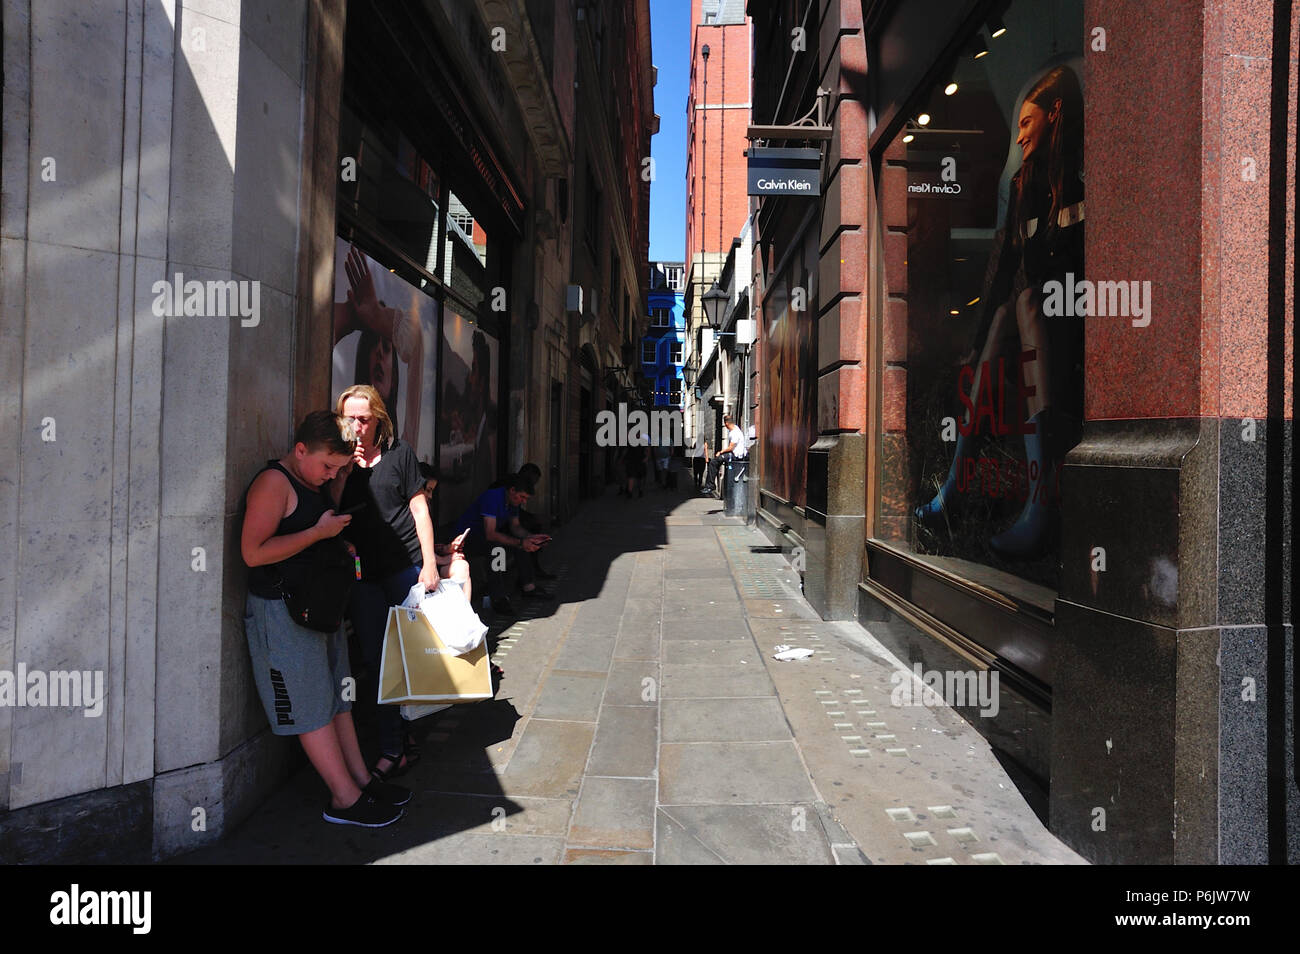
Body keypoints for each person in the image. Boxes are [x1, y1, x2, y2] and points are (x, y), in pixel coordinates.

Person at [914, 65, 1084, 558]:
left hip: (1081, 322)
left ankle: (1036, 501)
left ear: (1055, 115)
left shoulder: (1082, 180)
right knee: (1013, 309)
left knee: (1026, 302)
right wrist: (974, 341)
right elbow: (1004, 264)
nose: (1021, 135)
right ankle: (957, 485)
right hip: (1038, 329)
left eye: (1027, 123)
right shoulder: (1026, 184)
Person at [241, 410, 409, 827]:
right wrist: (318, 535)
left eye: (339, 467)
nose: (330, 474)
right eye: (327, 466)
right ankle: (343, 798)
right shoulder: (272, 483)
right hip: (283, 611)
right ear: (300, 449)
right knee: (311, 704)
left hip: (318, 609)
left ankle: (358, 780)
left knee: (337, 697)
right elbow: (252, 553)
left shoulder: (308, 479)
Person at [332, 384, 457, 782]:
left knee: (408, 655)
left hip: (403, 565)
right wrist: (346, 470)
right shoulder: (339, 457)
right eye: (349, 418)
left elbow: (419, 508)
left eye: (364, 419)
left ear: (379, 420)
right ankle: (393, 746)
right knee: (375, 659)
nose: (356, 426)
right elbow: (332, 507)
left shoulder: (399, 453)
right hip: (364, 575)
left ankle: (401, 737)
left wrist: (429, 566)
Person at [455, 473, 550, 617]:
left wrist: (530, 538)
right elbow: (490, 533)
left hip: (486, 537)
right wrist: (520, 542)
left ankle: (528, 586)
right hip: (467, 539)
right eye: (522, 497)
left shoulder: (512, 502)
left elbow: (516, 527)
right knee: (497, 551)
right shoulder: (492, 498)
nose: (523, 501)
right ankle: (498, 598)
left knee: (521, 544)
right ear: (512, 491)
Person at [704, 414, 748, 496]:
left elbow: (731, 447)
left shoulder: (735, 433)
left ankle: (710, 485)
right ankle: (711, 484)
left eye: (725, 425)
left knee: (714, 462)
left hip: (736, 456)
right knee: (716, 461)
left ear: (726, 424)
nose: (725, 427)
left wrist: (721, 452)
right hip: (734, 454)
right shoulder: (735, 429)